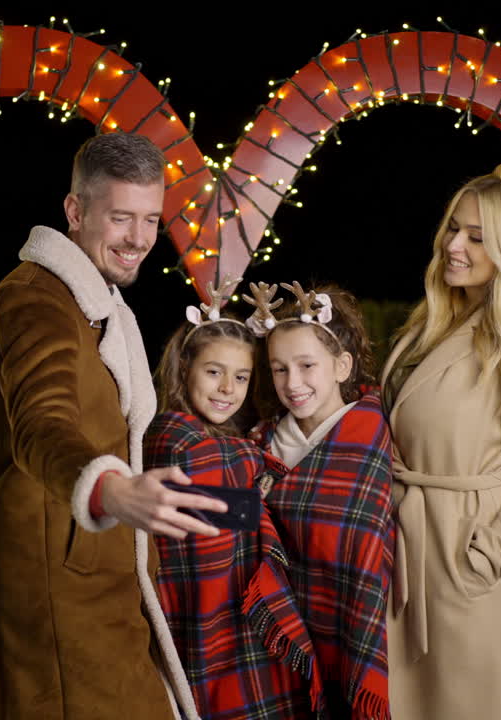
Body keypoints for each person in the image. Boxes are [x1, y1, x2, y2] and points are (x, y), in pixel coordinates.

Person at [0, 132, 226, 720]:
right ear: (75, 211)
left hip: (101, 585)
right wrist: (111, 488)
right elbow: (41, 424)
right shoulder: (35, 303)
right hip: (53, 595)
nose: (139, 239)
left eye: (151, 219)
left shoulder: (95, 304)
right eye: (121, 218)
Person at [380, 164, 501, 720]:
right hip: (420, 555)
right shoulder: (434, 325)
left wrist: (481, 562)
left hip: (478, 566)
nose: (454, 245)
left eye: (477, 237)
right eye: (453, 229)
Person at [146, 277, 318, 720]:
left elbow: (233, 503)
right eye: (213, 372)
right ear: (184, 369)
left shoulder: (222, 438)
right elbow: (224, 492)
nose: (227, 388)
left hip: (234, 617)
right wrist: (258, 474)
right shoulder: (171, 435)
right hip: (203, 618)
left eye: (240, 377)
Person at [249, 280, 397, 720]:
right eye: (279, 369)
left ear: (342, 365)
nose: (292, 383)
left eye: (306, 365)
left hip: (351, 620)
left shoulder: (374, 439)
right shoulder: (260, 442)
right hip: (280, 635)